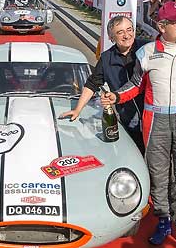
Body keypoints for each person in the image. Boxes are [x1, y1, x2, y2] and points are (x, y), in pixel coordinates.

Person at [101, 2, 176, 248]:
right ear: (161, 26)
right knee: (158, 175)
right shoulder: (146, 53)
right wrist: (116, 97)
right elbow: (135, 86)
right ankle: (164, 220)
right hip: (154, 123)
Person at [59, 16, 151, 151]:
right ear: (111, 37)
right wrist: (77, 109)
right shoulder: (107, 58)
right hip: (129, 121)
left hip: (154, 118)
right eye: (120, 32)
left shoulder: (148, 48)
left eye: (129, 30)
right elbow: (92, 84)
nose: (127, 35)